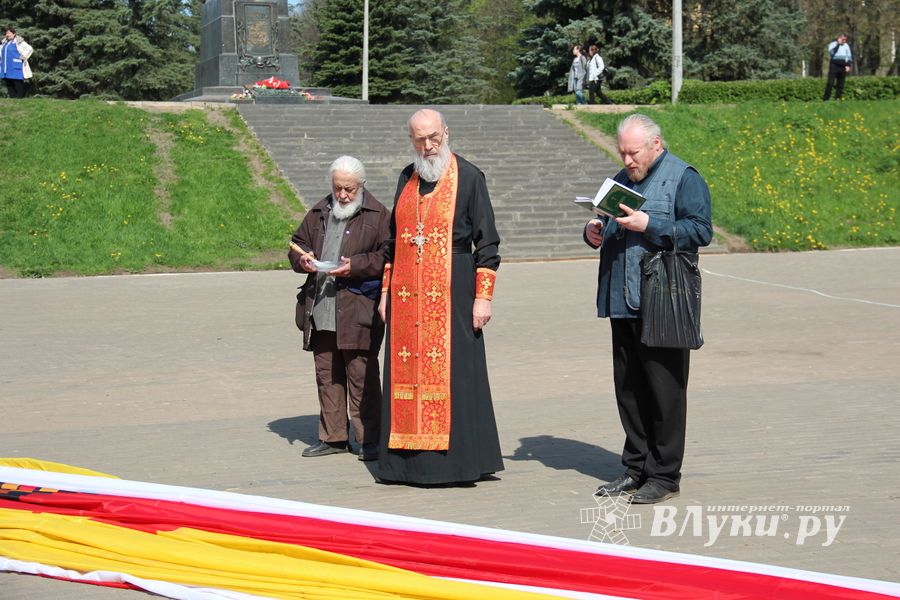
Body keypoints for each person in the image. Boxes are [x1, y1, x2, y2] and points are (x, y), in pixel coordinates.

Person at [584, 114, 712, 504]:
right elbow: (609, 226)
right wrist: (593, 230)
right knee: (629, 390)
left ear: (656, 145)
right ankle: (635, 467)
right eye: (622, 151)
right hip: (622, 301)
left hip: (663, 301)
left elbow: (700, 230)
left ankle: (664, 475)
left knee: (664, 391)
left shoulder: (684, 177)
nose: (626, 159)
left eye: (633, 152)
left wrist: (649, 224)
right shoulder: (621, 180)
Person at [376, 108, 503, 485]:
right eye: (420, 140)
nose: (428, 146)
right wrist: (385, 292)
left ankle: (457, 464)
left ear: (446, 133)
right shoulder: (407, 177)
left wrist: (483, 298)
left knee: (456, 378)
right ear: (411, 140)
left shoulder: (470, 177)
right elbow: (393, 242)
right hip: (405, 296)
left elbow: (489, 242)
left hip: (453, 294)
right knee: (404, 377)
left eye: (434, 137)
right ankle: (402, 465)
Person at [289, 156, 390, 462]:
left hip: (358, 310)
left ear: (361, 185)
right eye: (338, 188)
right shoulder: (319, 210)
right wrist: (302, 259)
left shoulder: (378, 214)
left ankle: (370, 439)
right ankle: (333, 436)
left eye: (349, 189)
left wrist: (355, 265)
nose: (343, 195)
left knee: (362, 377)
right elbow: (296, 243)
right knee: (327, 375)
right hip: (321, 307)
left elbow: (388, 256)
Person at [1, 27, 32, 99]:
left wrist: (24, 55)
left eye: (9, 33)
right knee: (8, 81)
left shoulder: (19, 42)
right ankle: (12, 98)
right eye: (6, 33)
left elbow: (29, 48)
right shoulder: (4, 42)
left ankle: (19, 97)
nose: (7, 35)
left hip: (15, 65)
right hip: (6, 66)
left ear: (14, 34)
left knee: (17, 81)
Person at [823, 33, 852, 101]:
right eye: (843, 39)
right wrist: (838, 44)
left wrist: (848, 65)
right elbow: (832, 53)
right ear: (839, 38)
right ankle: (826, 98)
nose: (844, 41)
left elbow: (849, 56)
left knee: (841, 83)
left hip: (843, 66)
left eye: (845, 40)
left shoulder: (846, 45)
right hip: (834, 65)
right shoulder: (832, 44)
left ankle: (838, 98)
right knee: (830, 82)